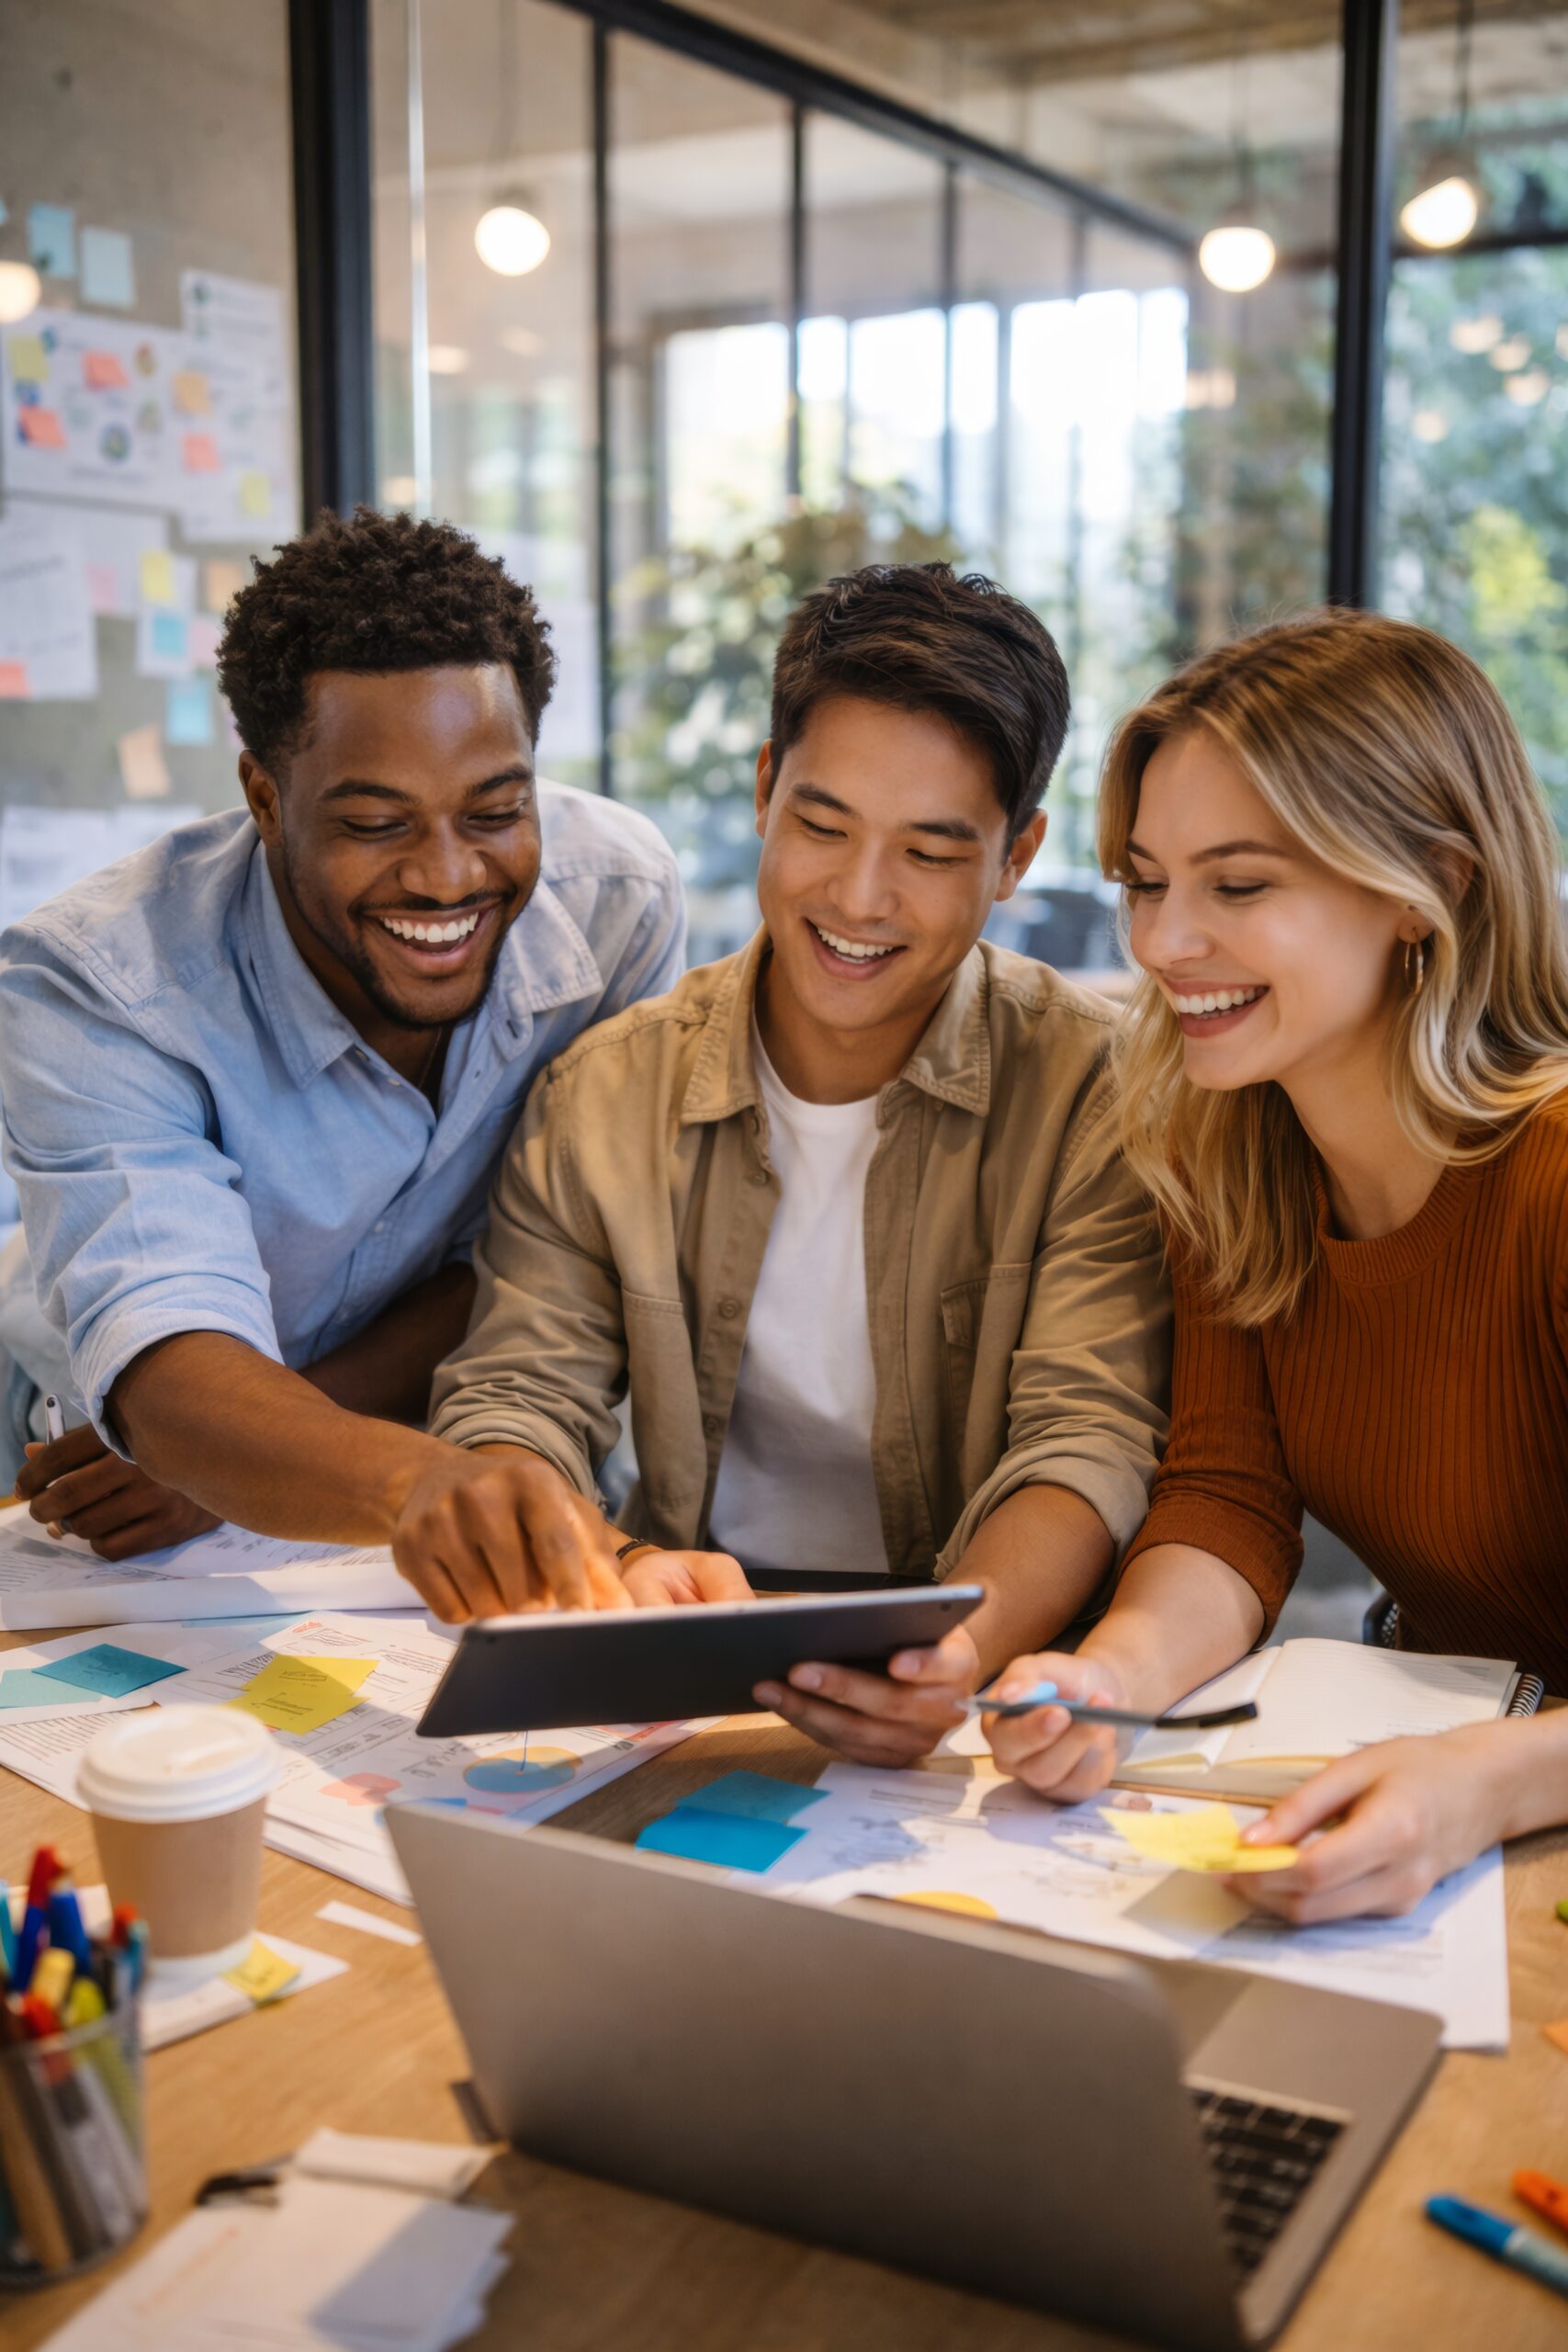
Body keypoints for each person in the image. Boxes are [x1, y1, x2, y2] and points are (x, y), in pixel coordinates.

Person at [413, 561, 1171, 1760]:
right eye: (821, 824)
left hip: (987, 1658)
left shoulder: (1097, 1089)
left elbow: (1085, 1437)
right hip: (682, 1630)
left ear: (1013, 857)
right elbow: (516, 1395)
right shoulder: (605, 1090)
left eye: (929, 852)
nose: (858, 898)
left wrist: (951, 1654)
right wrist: (616, 1560)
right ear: (765, 791)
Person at [981, 608, 1568, 1920]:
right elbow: (1224, 1497)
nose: (1159, 942)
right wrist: (1113, 1677)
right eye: (1146, 881)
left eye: (1235, 887)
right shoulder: (1227, 1154)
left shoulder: (1553, 1179)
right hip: (1451, 1788)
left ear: (1431, 886)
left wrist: (1482, 1781)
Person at [0, 505, 684, 1564]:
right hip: (111, 1462)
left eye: (496, 809)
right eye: (376, 824)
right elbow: (173, 1365)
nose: (449, 876)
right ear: (265, 798)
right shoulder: (95, 986)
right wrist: (237, 1463)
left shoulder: (617, 905)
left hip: (393, 1444)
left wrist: (287, 1458)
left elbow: (561, 1250)